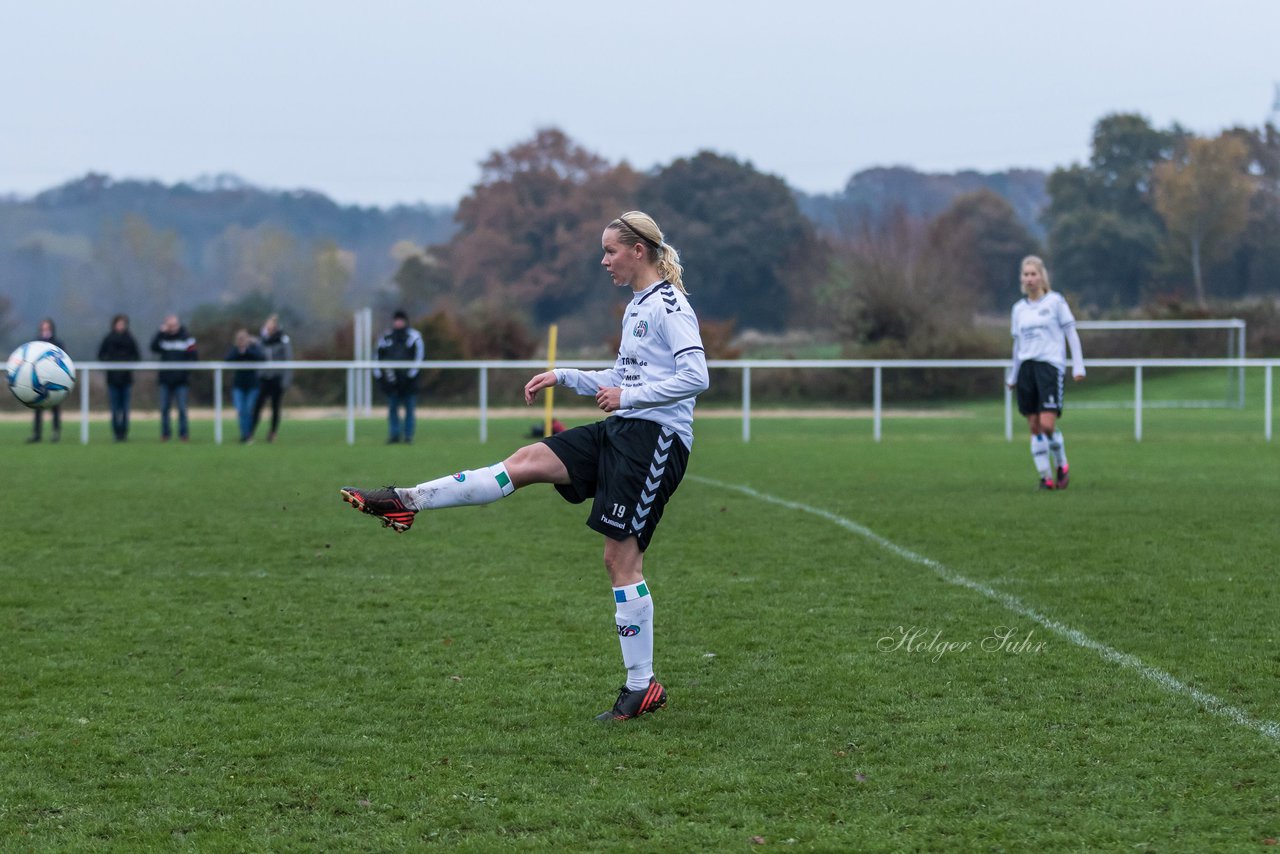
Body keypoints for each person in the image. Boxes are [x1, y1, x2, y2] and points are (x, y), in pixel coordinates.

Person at [340, 211, 708, 722]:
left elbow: (696, 376)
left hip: (656, 441)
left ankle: (641, 686)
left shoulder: (670, 304)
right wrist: (565, 375)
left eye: (610, 251)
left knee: (620, 563)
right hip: (624, 430)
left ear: (638, 250)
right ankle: (407, 500)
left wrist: (630, 396)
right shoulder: (637, 306)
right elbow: (624, 375)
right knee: (527, 460)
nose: (603, 260)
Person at [1006, 256, 1085, 490]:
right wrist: (1013, 375)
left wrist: (1078, 366)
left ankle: (1061, 463)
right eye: (1026, 274)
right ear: (1021, 278)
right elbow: (1017, 345)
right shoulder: (1018, 309)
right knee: (1033, 425)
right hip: (1027, 369)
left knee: (1047, 424)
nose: (1029, 279)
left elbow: (1071, 333)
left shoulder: (1055, 302)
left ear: (1042, 277)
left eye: (1033, 274)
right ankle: (1045, 477)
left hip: (1049, 367)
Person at [373, 309, 425, 444]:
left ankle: (408, 436)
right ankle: (394, 435)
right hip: (392, 383)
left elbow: (419, 359)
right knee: (392, 410)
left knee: (409, 409)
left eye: (401, 320)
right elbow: (377, 359)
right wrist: (383, 379)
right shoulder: (386, 338)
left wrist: (409, 377)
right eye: (396, 320)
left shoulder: (414, 337)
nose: (398, 322)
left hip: (409, 383)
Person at [151, 314, 198, 442]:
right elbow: (153, 347)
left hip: (181, 380)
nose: (172, 327)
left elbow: (194, 355)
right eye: (169, 325)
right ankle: (165, 434)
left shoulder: (187, 337)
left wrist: (185, 371)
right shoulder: (163, 337)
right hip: (165, 380)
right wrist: (160, 333)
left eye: (174, 324)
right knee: (164, 409)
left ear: (178, 324)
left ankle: (184, 434)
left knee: (182, 409)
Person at [97, 314, 141, 442]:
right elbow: (101, 355)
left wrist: (127, 364)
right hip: (112, 379)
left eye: (123, 323)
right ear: (114, 324)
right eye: (119, 323)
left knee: (125, 409)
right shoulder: (108, 339)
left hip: (126, 379)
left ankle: (124, 433)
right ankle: (116, 434)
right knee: (115, 409)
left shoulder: (130, 339)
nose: (121, 326)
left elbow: (137, 356)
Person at [251, 313, 292, 442]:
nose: (269, 329)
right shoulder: (260, 340)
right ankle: (250, 433)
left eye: (271, 327)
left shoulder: (283, 339)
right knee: (257, 406)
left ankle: (272, 433)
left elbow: (288, 359)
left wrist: (285, 381)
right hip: (263, 378)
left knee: (275, 407)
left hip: (277, 378)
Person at [27, 318, 66, 443]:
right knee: (37, 408)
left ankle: (56, 433)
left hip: (54, 381)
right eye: (43, 328)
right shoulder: (36, 343)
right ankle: (37, 435)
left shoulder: (57, 343)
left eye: (47, 328)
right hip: (39, 381)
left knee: (55, 408)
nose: (45, 331)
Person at [224, 329, 265, 443]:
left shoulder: (253, 349)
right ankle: (245, 436)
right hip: (239, 385)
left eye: (244, 339)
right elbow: (227, 359)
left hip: (252, 385)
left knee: (248, 410)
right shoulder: (235, 350)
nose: (242, 341)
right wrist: (238, 351)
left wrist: (247, 350)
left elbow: (262, 358)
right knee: (241, 411)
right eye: (239, 339)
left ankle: (248, 435)